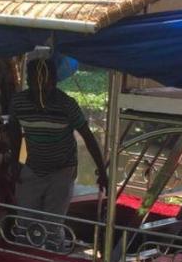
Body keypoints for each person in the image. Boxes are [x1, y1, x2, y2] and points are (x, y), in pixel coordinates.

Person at [7, 55, 107, 223]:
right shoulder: (19, 102)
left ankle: (52, 246)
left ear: (53, 82)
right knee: (24, 221)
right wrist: (15, 163)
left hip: (62, 170)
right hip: (32, 167)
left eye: (44, 84)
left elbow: (88, 137)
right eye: (34, 83)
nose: (39, 89)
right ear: (29, 81)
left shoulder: (67, 104)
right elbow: (14, 131)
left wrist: (102, 171)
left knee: (52, 224)